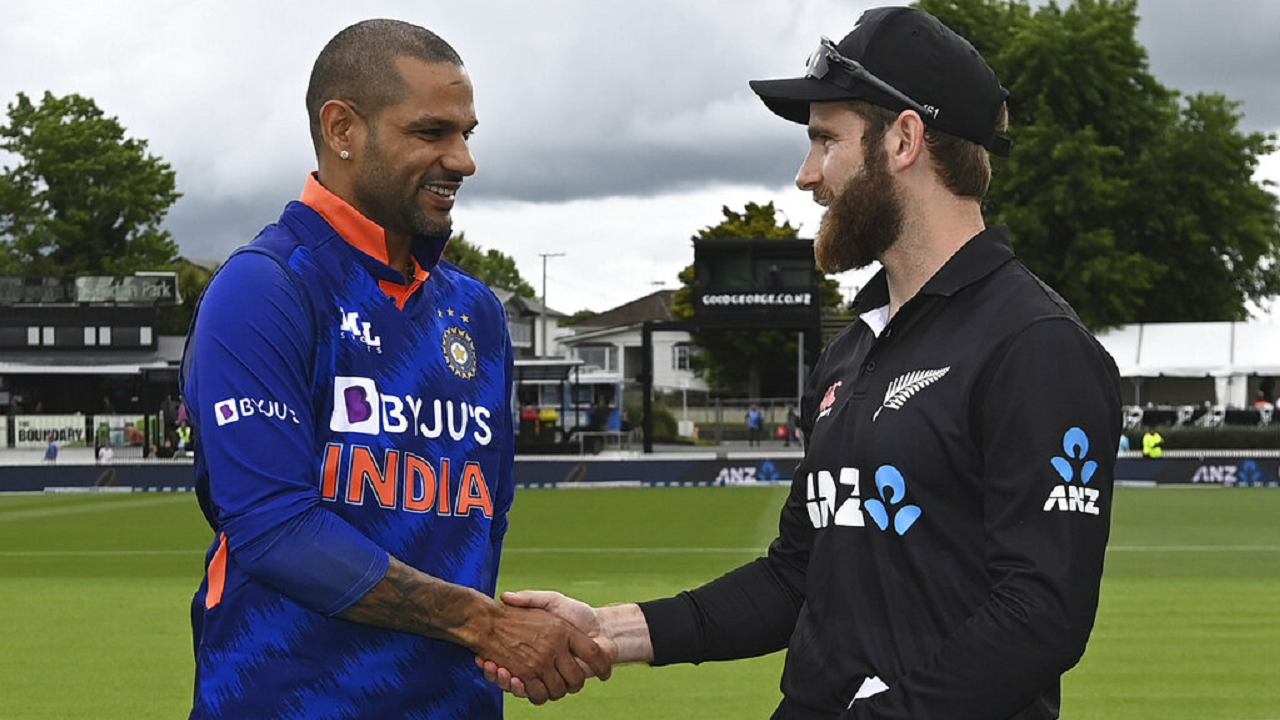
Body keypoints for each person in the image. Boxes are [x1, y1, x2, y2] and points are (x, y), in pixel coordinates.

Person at [481, 8, 1121, 720]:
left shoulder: (1036, 346)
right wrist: (613, 630)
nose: (806, 175)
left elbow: (1040, 614)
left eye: (825, 140)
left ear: (904, 139)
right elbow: (797, 578)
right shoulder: (853, 349)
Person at [181, 19, 607, 720]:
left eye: (468, 133)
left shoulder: (477, 312)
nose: (463, 159)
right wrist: (488, 625)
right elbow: (276, 530)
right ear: (343, 128)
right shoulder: (264, 288)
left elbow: (484, 520)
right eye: (432, 132)